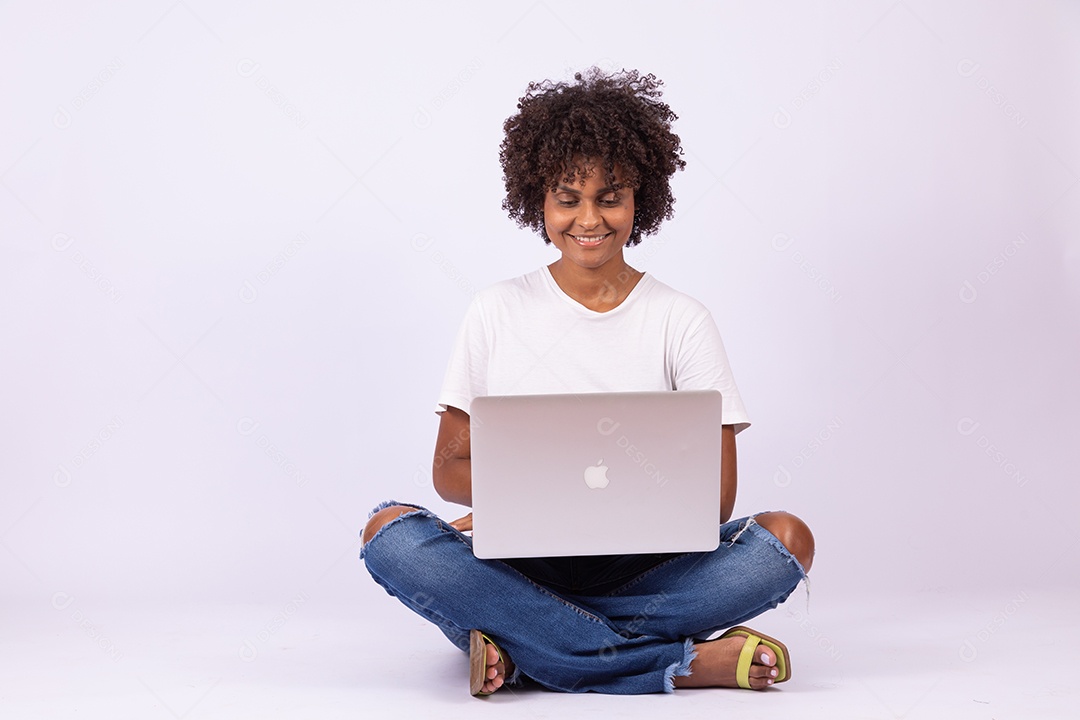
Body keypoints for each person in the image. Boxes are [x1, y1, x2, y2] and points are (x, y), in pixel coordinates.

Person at [361, 68, 815, 697]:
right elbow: (447, 469)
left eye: (610, 196)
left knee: (784, 543)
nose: (588, 218)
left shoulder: (681, 319)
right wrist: (529, 491)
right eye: (567, 197)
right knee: (390, 534)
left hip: (647, 570)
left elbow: (716, 503)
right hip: (518, 564)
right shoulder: (496, 309)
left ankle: (521, 645)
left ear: (641, 200)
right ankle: (678, 664)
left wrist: (608, 502)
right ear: (538, 200)